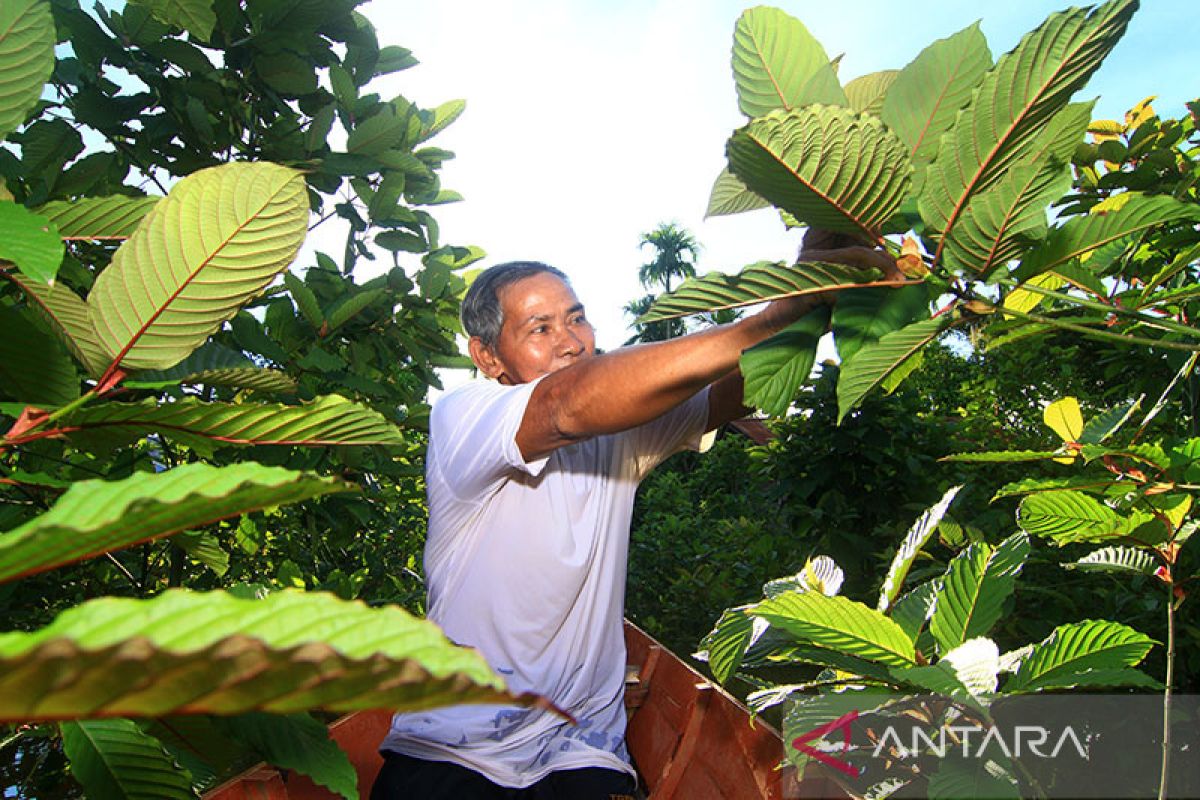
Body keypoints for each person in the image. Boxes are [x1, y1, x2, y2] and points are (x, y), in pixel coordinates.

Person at [372, 232, 898, 799]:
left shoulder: (623, 429)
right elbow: (564, 404)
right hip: (454, 750)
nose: (571, 341)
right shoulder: (466, 416)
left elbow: (735, 389)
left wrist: (816, 290)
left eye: (577, 319)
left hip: (581, 751)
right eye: (540, 328)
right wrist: (767, 318)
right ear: (488, 357)